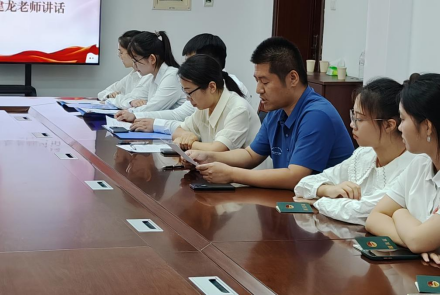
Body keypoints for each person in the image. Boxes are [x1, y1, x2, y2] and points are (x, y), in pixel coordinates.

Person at [187, 37, 354, 189]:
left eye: (264, 82)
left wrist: (231, 174)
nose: (258, 89)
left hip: (327, 207)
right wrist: (208, 157)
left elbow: (295, 177)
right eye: (257, 81)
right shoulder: (277, 111)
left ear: (293, 78)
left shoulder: (317, 115)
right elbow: (250, 155)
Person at [293, 78, 414, 225]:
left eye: (359, 119)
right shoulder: (364, 153)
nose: (352, 124)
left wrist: (317, 202)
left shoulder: (412, 167)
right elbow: (303, 185)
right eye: (353, 116)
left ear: (389, 125)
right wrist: (327, 190)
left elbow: (363, 212)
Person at [366, 73, 440, 264]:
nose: (399, 128)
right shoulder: (419, 164)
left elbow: (417, 240)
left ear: (427, 126)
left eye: (403, 119)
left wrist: (399, 214)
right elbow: (374, 218)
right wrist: (415, 239)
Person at [116, 33, 249, 133]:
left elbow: (179, 116)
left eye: (190, 61)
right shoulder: (204, 88)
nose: (185, 66)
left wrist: (141, 117)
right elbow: (185, 121)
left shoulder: (220, 89)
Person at [172, 54, 260, 152]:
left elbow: (217, 150)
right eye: (185, 92)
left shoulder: (238, 109)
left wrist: (189, 143)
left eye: (189, 92)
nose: (188, 98)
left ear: (212, 87)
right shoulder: (204, 107)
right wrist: (187, 135)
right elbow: (177, 131)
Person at [115, 31, 185, 112]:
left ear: (152, 59)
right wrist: (131, 102)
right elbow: (131, 98)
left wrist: (129, 111)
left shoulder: (172, 76)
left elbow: (152, 108)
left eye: (136, 60)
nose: (134, 65)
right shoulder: (151, 76)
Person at [98, 30, 149, 108]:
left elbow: (132, 101)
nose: (119, 56)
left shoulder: (148, 75)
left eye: (121, 52)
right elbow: (101, 94)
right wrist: (109, 96)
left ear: (133, 52)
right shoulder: (132, 75)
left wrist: (115, 99)